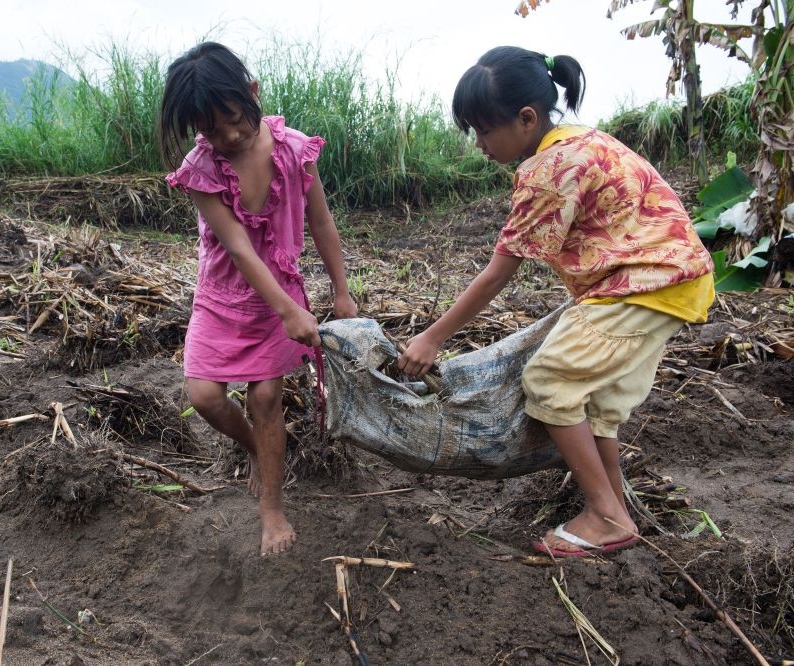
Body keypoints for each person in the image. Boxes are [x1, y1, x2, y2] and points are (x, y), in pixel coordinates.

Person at [398, 46, 715, 557]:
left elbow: (500, 271)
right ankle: (615, 508)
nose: (478, 145)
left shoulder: (549, 167)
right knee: (599, 404)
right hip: (675, 278)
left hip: (643, 282)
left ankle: (605, 516)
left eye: (482, 130)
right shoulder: (589, 142)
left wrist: (432, 337)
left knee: (549, 381)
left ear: (526, 118)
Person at [160, 42, 358, 556]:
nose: (227, 136)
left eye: (232, 120)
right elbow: (240, 248)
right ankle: (257, 449)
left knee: (266, 397)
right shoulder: (201, 169)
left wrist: (340, 291)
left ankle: (272, 506)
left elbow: (321, 221)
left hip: (280, 292)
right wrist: (290, 311)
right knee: (203, 395)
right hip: (222, 295)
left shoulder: (294, 149)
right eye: (210, 129)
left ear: (252, 93)